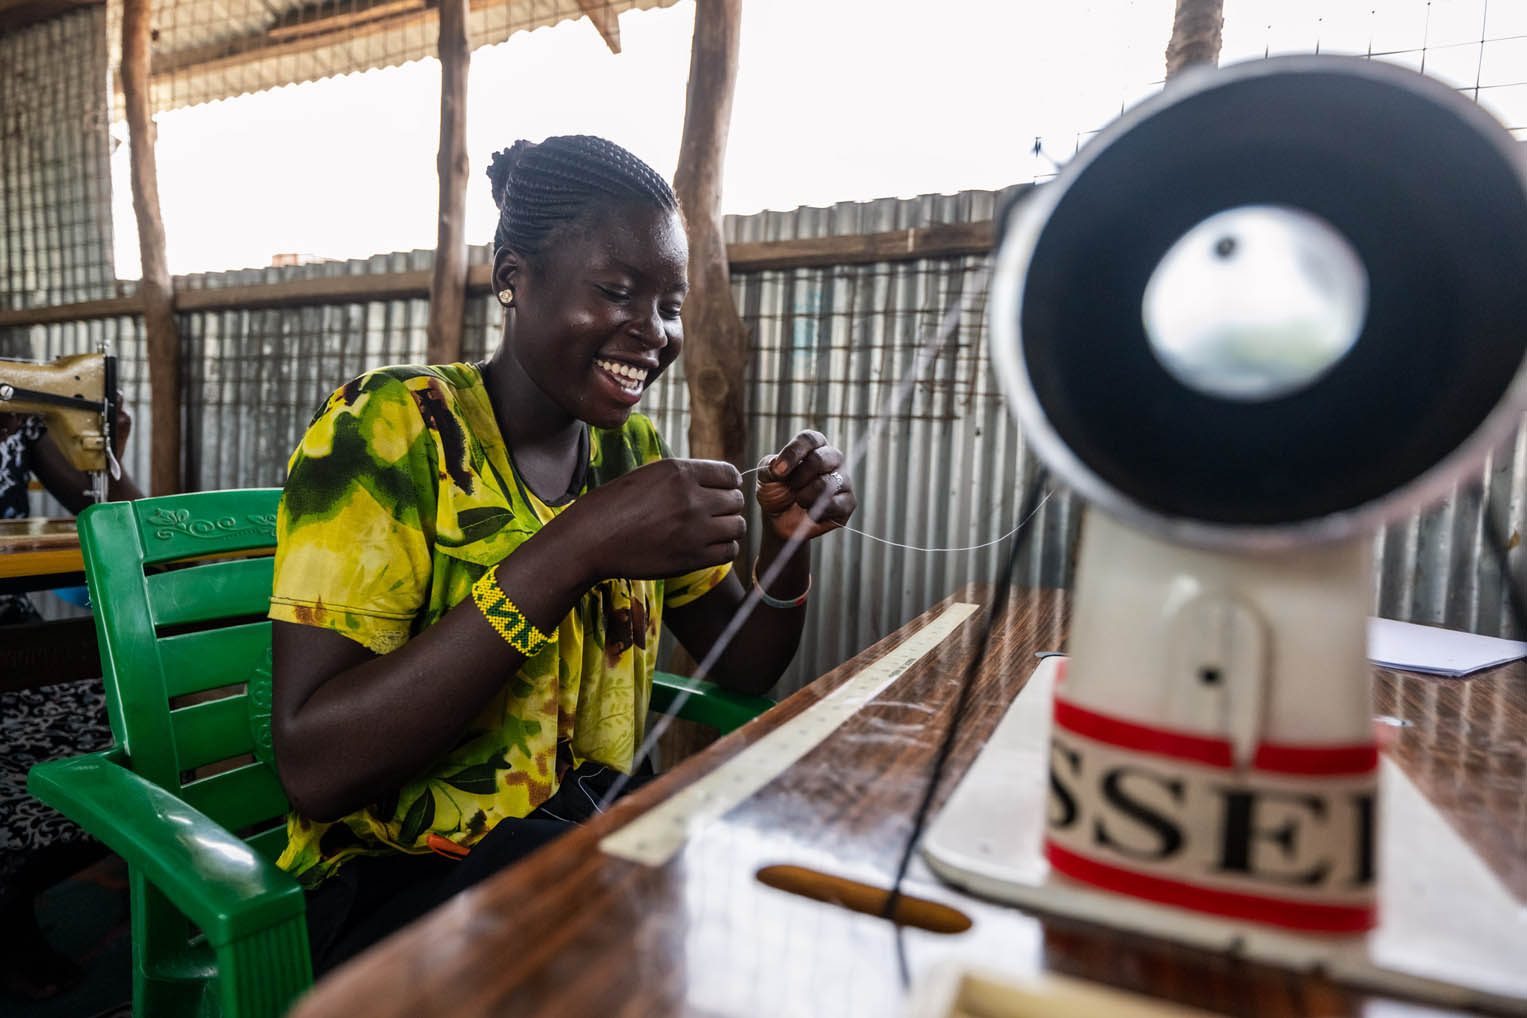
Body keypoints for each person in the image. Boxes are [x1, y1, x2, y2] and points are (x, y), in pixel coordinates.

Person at [268, 134, 857, 972]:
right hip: (401, 883)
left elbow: (749, 662)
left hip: (586, 842)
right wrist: (577, 546)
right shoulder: (394, 428)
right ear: (513, 278)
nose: (651, 332)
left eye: (669, 304)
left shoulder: (632, 456)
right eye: (617, 291)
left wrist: (789, 543)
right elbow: (316, 768)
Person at [0, 404, 140, 999]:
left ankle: (15, 896)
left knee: (130, 729)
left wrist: (103, 450)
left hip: (12, 631)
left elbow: (120, 515)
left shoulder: (17, 420)